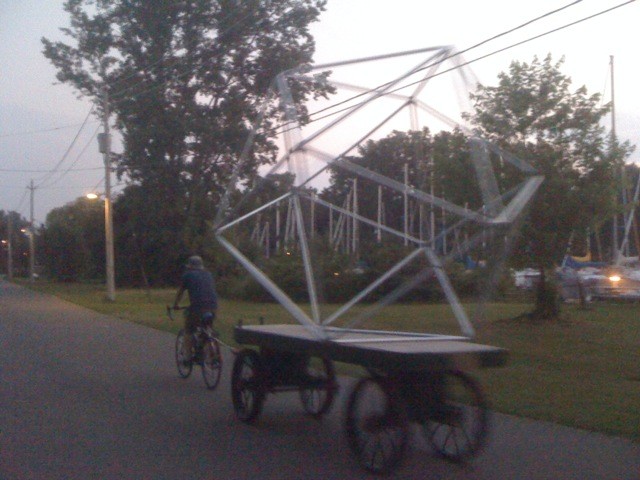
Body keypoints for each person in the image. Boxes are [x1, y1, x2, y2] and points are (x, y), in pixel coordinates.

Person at [173, 255, 218, 361]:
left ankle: (187, 358)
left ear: (190, 266)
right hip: (213, 307)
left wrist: (175, 304)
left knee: (188, 330)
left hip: (198, 308)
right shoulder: (209, 274)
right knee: (207, 329)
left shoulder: (187, 275)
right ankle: (209, 351)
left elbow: (180, 292)